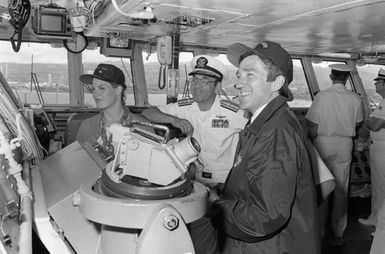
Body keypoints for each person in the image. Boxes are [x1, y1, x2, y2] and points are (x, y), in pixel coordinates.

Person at [196, 41, 320, 254]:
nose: (238, 83)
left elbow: (264, 217)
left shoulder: (276, 132)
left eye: (250, 75)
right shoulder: (263, 123)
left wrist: (215, 205)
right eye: (239, 75)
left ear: (276, 82)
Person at [142, 55, 248, 187]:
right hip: (197, 180)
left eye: (204, 81)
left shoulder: (232, 112)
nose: (197, 86)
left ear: (217, 86)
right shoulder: (185, 107)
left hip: (226, 183)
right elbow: (148, 113)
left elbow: (260, 132)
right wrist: (173, 120)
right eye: (194, 80)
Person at [306, 64, 364, 238]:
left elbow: (312, 125)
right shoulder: (355, 98)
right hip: (345, 144)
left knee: (322, 186)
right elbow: (358, 123)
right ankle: (339, 230)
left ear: (331, 76)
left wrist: (311, 143)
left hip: (323, 143)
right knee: (341, 188)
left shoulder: (322, 97)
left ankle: (320, 231)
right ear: (346, 78)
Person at [76, 63, 150, 159]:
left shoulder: (142, 127)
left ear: (118, 90)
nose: (95, 93)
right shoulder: (86, 126)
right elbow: (78, 164)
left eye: (101, 88)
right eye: (93, 89)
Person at [359, 68, 385, 233]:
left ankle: (382, 225)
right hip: (377, 148)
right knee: (377, 186)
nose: (375, 83)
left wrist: (369, 121)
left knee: (382, 187)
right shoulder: (383, 102)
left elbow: (374, 125)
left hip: (383, 149)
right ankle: (375, 218)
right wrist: (370, 121)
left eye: (378, 81)